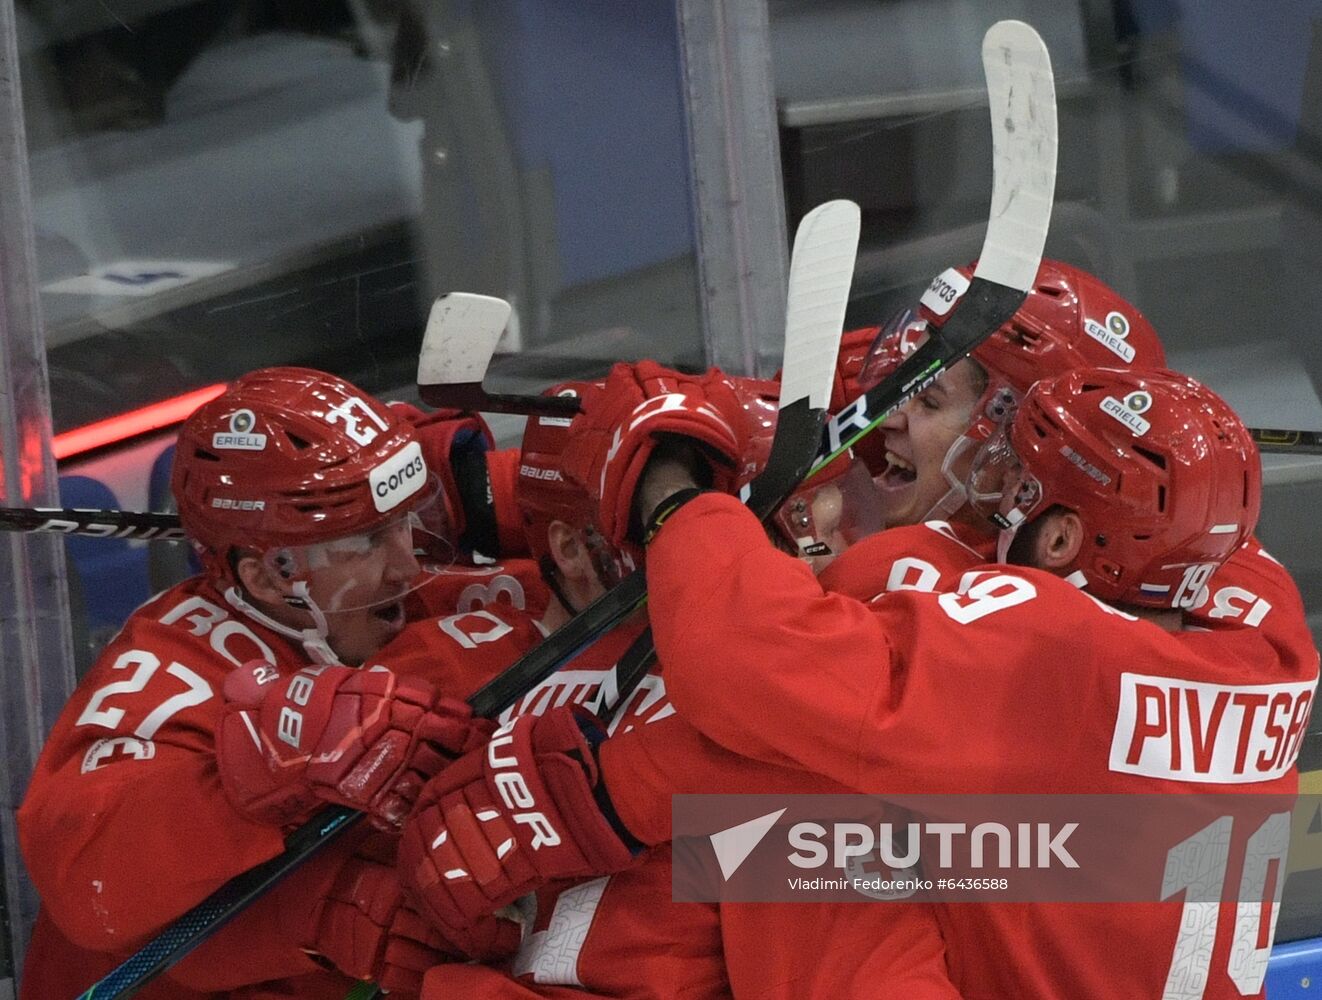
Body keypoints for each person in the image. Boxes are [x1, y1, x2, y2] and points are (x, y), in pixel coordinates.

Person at [393, 363, 1319, 998]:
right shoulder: (1257, 619)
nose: (988, 500)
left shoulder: (1047, 658)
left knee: (810, 846)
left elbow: (749, 671)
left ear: (1070, 541)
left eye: (1017, 490)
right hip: (1096, 904)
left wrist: (671, 492)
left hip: (1024, 896)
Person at [18, 367, 528, 998]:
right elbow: (86, 882)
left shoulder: (412, 616)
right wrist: (250, 783)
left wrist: (518, 491)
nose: (408, 563)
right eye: (371, 539)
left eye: (410, 521)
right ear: (268, 577)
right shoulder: (175, 667)